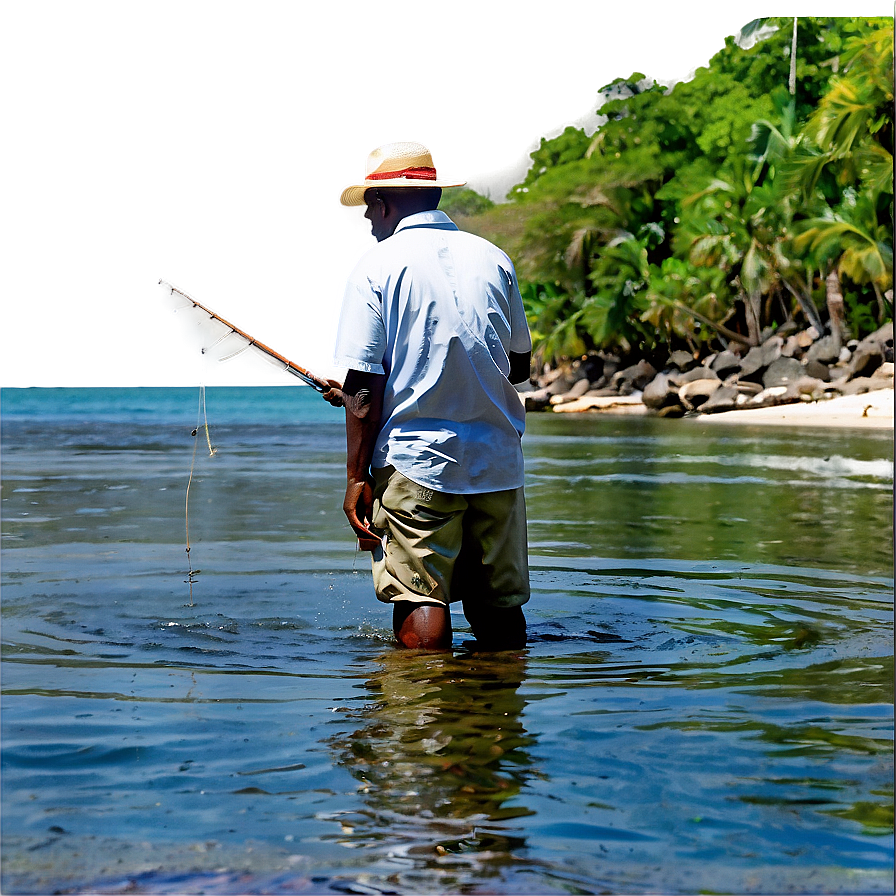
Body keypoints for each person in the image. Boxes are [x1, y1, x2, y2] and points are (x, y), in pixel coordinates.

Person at [324, 140, 531, 651]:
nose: (368, 219)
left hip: (416, 462)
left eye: (370, 205)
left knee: (420, 596)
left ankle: (421, 716)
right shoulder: (493, 258)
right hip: (499, 463)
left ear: (385, 203)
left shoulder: (375, 266)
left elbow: (365, 390)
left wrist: (355, 480)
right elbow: (518, 365)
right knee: (498, 603)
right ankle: (497, 711)